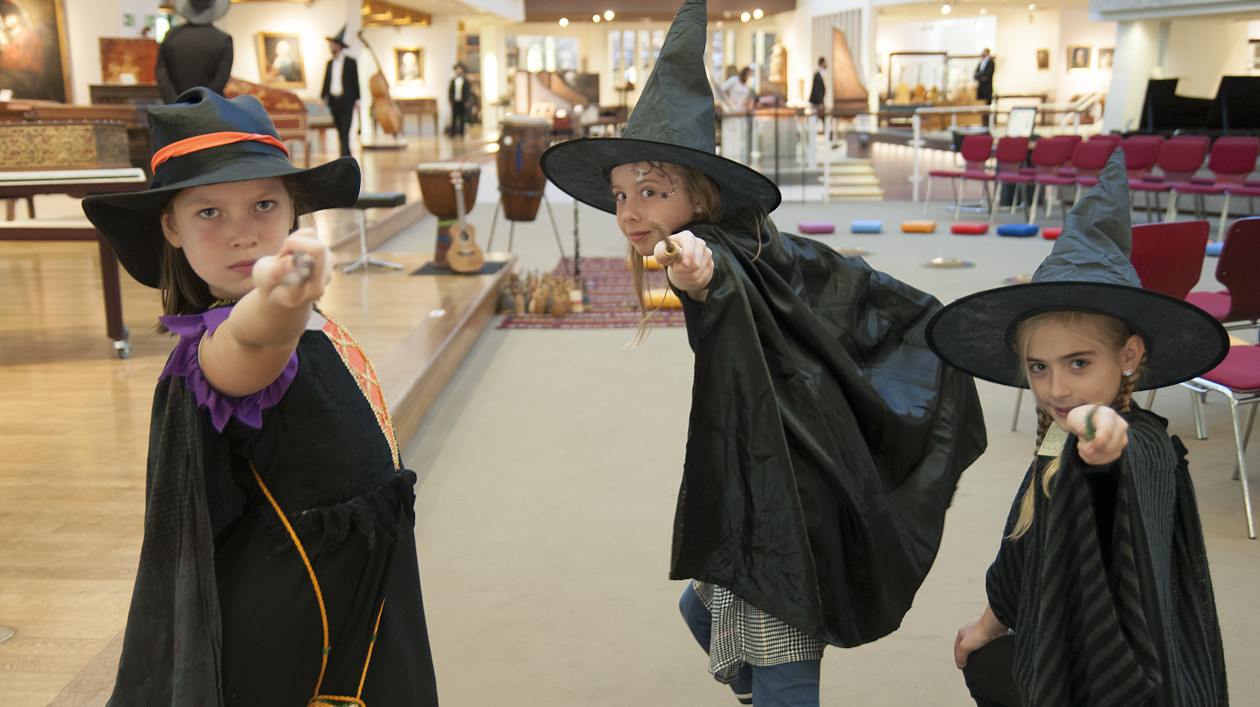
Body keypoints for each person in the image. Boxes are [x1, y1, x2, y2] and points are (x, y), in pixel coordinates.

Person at [540, 1, 987, 704]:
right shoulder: (759, 237)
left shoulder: (716, 251)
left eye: (652, 191)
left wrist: (695, 273)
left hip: (780, 494)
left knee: (781, 658)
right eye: (622, 192)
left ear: (702, 194)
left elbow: (714, 278)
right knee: (704, 609)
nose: (628, 211)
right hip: (787, 460)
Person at [80, 87, 439, 706]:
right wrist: (281, 299)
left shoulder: (312, 317)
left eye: (263, 204)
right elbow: (253, 342)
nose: (243, 234)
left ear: (294, 211)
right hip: (303, 624)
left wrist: (294, 301)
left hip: (365, 587)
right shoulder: (220, 344)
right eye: (209, 213)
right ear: (170, 226)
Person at [928, 152, 1230, 706]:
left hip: (1128, 667)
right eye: (1039, 367)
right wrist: (988, 624)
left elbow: (1114, 462)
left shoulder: (1140, 445)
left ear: (1130, 355)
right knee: (988, 662)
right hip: (1064, 636)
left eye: (1079, 363)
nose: (1057, 389)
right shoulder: (1055, 437)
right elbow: (1026, 547)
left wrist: (1101, 442)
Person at [154, 0, 233, 104]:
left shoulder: (171, 36)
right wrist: (201, 102)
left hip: (174, 108)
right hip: (210, 108)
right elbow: (221, 79)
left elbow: (161, 72)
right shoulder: (223, 39)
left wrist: (174, 101)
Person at [320, 27, 360, 158]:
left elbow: (355, 82)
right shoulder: (330, 63)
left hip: (346, 100)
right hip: (334, 101)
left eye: (331, 44)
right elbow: (326, 82)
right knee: (339, 129)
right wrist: (322, 98)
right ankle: (345, 155)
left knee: (345, 129)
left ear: (338, 45)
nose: (330, 47)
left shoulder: (350, 62)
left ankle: (345, 156)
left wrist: (357, 100)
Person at [0, 1, 42, 74]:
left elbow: (18, 60)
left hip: (29, 75)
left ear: (17, 15)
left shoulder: (28, 34)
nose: (9, 20)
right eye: (6, 18)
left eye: (11, 15)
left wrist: (5, 43)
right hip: (15, 74)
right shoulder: (8, 34)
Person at [447, 61, 472, 137]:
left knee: (461, 117)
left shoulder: (466, 81)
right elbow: (450, 91)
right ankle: (453, 132)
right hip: (455, 101)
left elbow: (467, 91)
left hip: (462, 101)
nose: (458, 71)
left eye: (459, 69)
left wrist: (466, 101)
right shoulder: (453, 81)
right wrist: (450, 100)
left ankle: (461, 132)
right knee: (454, 117)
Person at [809, 56, 827, 134]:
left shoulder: (821, 74)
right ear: (822, 63)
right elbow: (817, 90)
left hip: (819, 102)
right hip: (816, 103)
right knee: (814, 120)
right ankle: (812, 135)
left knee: (821, 119)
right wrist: (820, 103)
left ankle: (827, 135)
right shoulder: (817, 75)